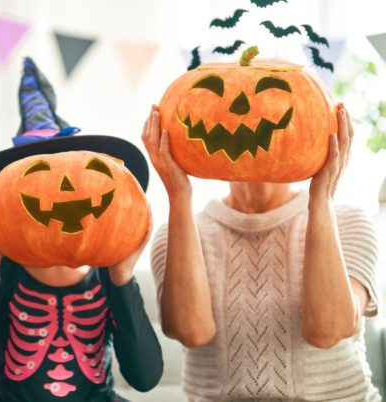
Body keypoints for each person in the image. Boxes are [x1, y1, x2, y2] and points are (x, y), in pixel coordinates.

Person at [0, 57, 163, 401]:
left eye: (84, 174)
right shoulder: (4, 274)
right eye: (38, 175)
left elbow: (145, 377)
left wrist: (122, 277)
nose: (62, 190)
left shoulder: (108, 276)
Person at [143, 104, 381, 401]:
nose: (243, 116)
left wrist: (321, 198)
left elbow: (327, 330)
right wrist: (178, 197)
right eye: (229, 112)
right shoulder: (176, 232)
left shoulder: (348, 222)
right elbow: (192, 332)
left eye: (262, 112)